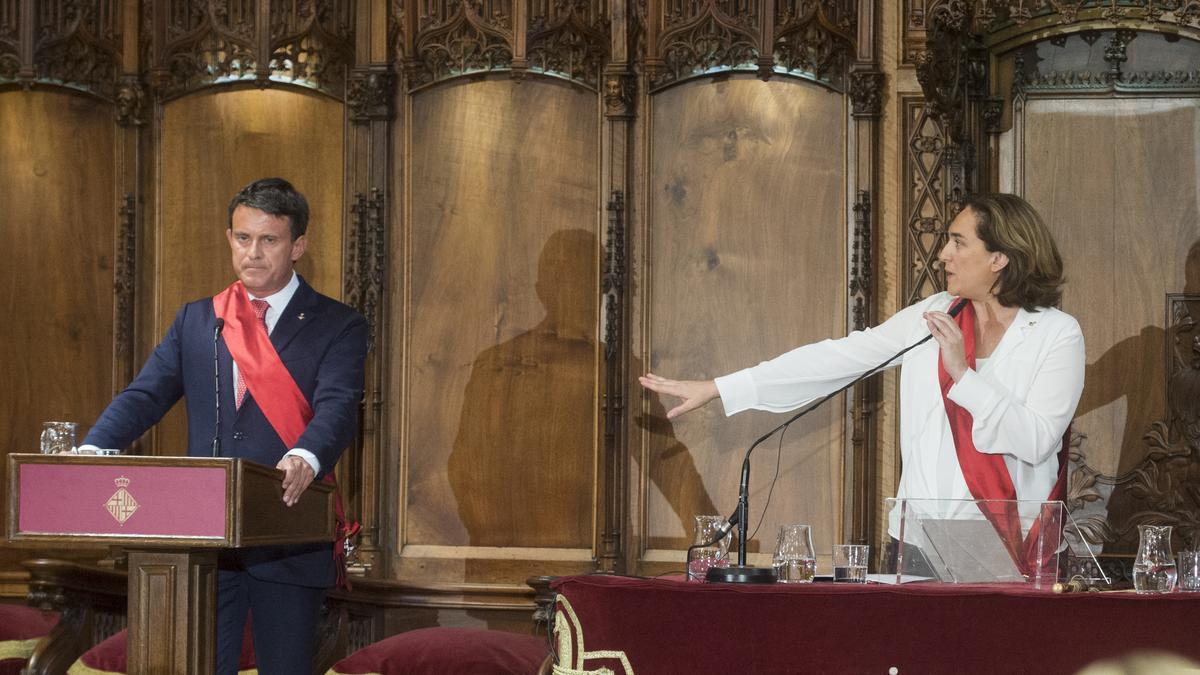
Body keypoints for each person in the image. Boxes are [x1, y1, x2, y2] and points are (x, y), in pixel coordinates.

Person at [640, 193, 1084, 570]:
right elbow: (839, 358)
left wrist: (962, 376)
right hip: (917, 543)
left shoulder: (1055, 334)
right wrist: (721, 387)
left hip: (1007, 545)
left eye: (958, 242)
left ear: (999, 257)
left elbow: (1037, 440)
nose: (943, 254)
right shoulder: (934, 313)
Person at [81, 178, 368, 674]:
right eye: (241, 238)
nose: (252, 253)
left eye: (269, 240)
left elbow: (338, 406)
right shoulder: (198, 320)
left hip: (286, 526)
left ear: (298, 245)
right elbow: (146, 394)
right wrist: (92, 450)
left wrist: (307, 455)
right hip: (201, 537)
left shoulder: (337, 324)